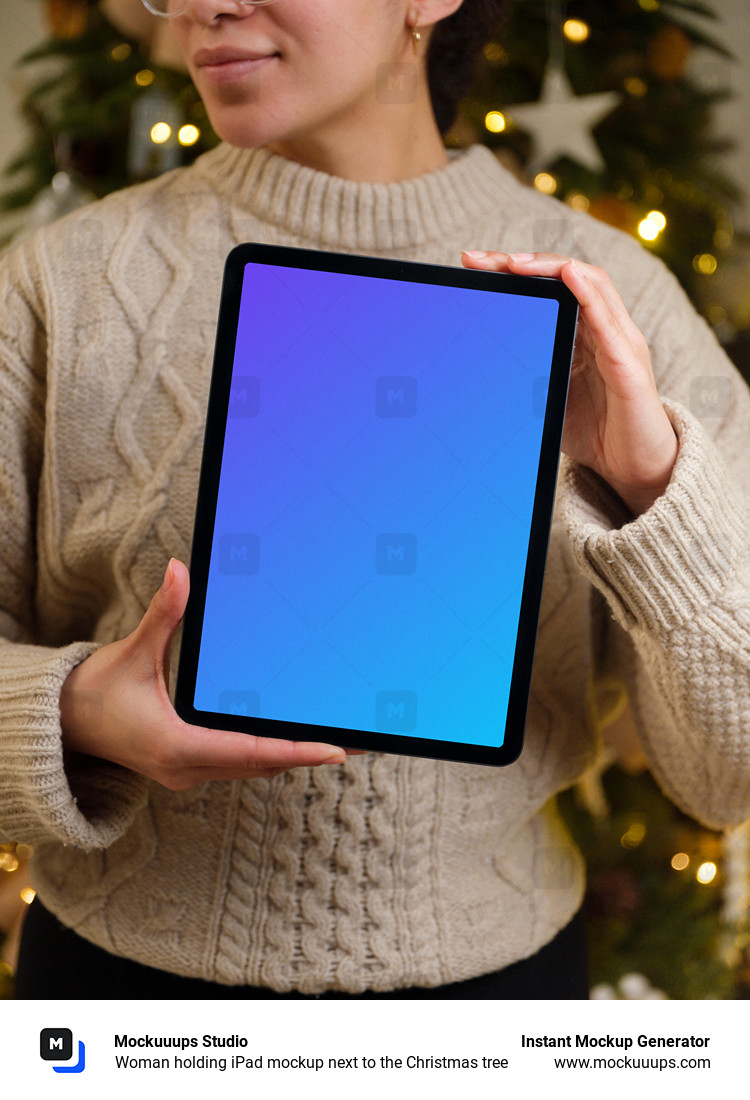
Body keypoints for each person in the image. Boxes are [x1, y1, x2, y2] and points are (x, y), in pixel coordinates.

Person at [2, 0, 750, 999]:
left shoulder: (620, 302)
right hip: (117, 995)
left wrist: (657, 489)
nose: (203, 5)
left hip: (500, 1005)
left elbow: (730, 778)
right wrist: (72, 712)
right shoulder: (61, 286)